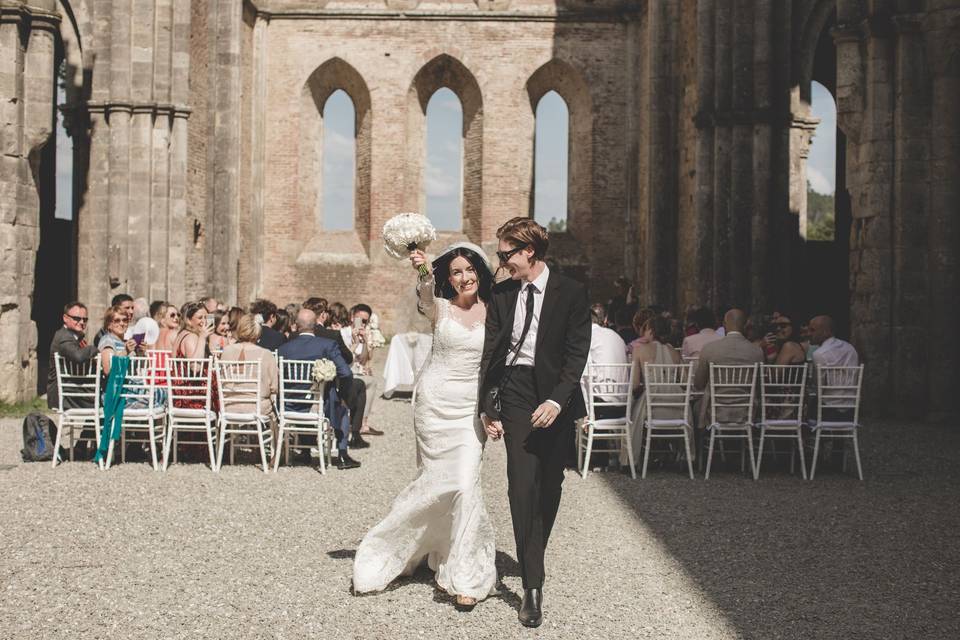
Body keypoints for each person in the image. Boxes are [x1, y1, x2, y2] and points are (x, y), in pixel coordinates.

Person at [353, 242, 497, 611]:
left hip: (470, 409)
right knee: (434, 482)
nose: (464, 278)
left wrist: (494, 410)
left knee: (465, 484)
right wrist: (422, 270)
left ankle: (465, 574)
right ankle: (399, 549)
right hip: (434, 406)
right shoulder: (440, 308)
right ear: (448, 278)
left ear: (479, 272)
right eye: (456, 272)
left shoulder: (495, 312)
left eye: (469, 270)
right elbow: (425, 294)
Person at [478, 218, 591, 627]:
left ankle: (532, 553)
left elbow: (577, 354)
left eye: (507, 254)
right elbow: (492, 350)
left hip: (554, 392)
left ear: (529, 251)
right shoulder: (503, 292)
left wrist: (557, 401)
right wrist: (487, 404)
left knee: (551, 483)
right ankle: (532, 585)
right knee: (520, 482)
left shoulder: (572, 293)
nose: (502, 261)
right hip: (515, 389)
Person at [277, 309, 358, 469]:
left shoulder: (284, 349)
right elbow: (346, 373)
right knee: (341, 408)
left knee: (309, 398)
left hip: (290, 405)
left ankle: (305, 453)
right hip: (319, 405)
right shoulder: (327, 345)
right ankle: (342, 455)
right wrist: (342, 393)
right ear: (315, 325)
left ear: (297, 326)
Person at [303, 297, 371, 448]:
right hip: (328, 392)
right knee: (358, 385)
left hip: (300, 393)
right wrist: (354, 346)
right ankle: (353, 437)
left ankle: (305, 444)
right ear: (323, 315)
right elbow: (346, 362)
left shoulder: (294, 337)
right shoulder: (331, 335)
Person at [624, 315, 682, 467]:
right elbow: (684, 381)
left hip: (652, 406)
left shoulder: (640, 350)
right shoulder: (675, 353)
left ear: (651, 330)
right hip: (676, 407)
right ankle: (673, 454)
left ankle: (631, 459)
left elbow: (635, 384)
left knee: (632, 409)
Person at [693, 309, 765, 429]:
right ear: (745, 325)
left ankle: (701, 446)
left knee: (695, 407)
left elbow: (698, 384)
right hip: (746, 413)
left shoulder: (710, 349)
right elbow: (759, 385)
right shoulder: (756, 352)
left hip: (715, 413)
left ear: (724, 324)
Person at [220, 313, 278, 435]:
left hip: (229, 405)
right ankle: (275, 451)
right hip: (256, 406)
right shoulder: (265, 353)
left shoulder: (226, 351)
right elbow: (274, 387)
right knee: (273, 412)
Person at [47, 301, 98, 410]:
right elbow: (78, 356)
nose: (81, 322)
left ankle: (91, 427)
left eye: (85, 319)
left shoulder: (74, 336)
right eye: (76, 318)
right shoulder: (64, 337)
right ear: (65, 318)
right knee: (108, 401)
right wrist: (95, 349)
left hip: (73, 389)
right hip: (66, 394)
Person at [99, 305, 139, 376]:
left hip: (134, 384)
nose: (122, 323)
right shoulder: (107, 340)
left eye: (125, 320)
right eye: (117, 321)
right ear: (109, 325)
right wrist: (126, 352)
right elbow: (108, 369)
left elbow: (138, 368)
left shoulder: (126, 342)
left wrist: (141, 353)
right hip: (119, 386)